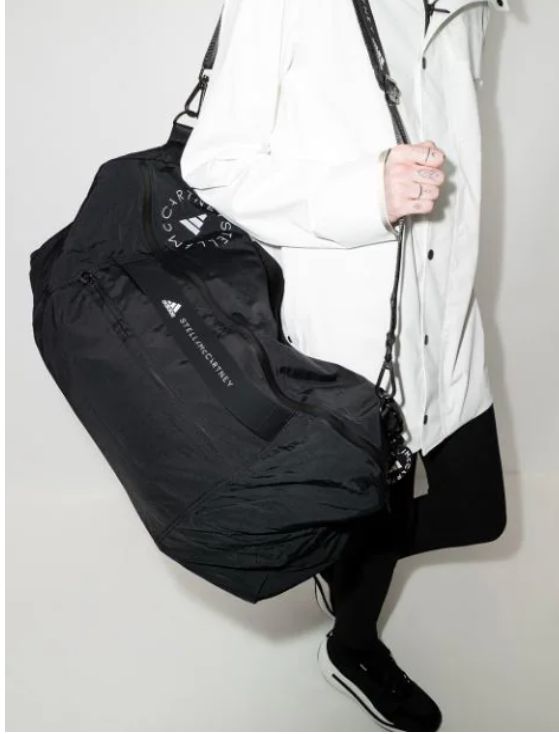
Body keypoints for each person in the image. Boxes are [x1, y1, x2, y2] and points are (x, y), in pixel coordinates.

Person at [180, 0, 510, 730]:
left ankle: (343, 553)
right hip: (351, 335)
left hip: (446, 313)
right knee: (374, 506)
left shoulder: (471, 11)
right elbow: (214, 166)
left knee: (478, 512)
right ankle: (352, 646)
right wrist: (364, 192)